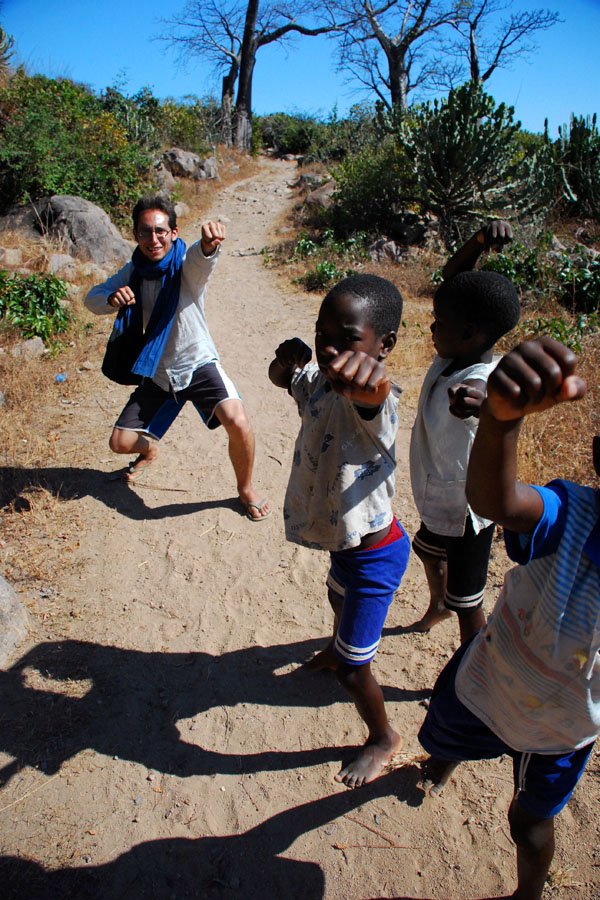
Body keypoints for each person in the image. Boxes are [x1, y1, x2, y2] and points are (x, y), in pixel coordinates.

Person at [418, 337, 596, 900]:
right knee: (446, 732)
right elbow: (497, 504)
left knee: (530, 822)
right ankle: (443, 764)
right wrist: (500, 421)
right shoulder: (575, 514)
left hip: (561, 730)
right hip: (492, 677)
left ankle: (527, 895)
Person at [268, 274, 411, 788]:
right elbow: (282, 378)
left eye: (347, 339)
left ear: (383, 345)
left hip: (376, 556)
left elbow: (375, 393)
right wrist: (285, 362)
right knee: (335, 597)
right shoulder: (318, 381)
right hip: (345, 545)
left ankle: (383, 738)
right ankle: (337, 646)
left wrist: (369, 378)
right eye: (321, 334)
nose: (329, 348)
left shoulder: (378, 402)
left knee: (355, 671)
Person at [85, 194, 270, 520]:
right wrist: (112, 298)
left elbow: (201, 263)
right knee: (120, 443)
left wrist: (208, 245)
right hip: (159, 370)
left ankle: (245, 488)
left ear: (173, 232)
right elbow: (92, 298)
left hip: (197, 362)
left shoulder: (184, 264)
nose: (153, 239)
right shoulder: (133, 271)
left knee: (238, 422)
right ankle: (149, 450)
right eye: (145, 232)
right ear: (135, 235)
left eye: (160, 231)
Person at [408, 221, 520, 642]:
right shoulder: (455, 354)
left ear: (469, 332)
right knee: (425, 549)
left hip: (468, 513)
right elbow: (452, 281)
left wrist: (481, 405)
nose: (431, 328)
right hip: (438, 494)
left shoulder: (483, 378)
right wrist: (478, 242)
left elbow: (491, 399)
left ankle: (474, 661)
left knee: (467, 603)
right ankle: (438, 603)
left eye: (438, 322)